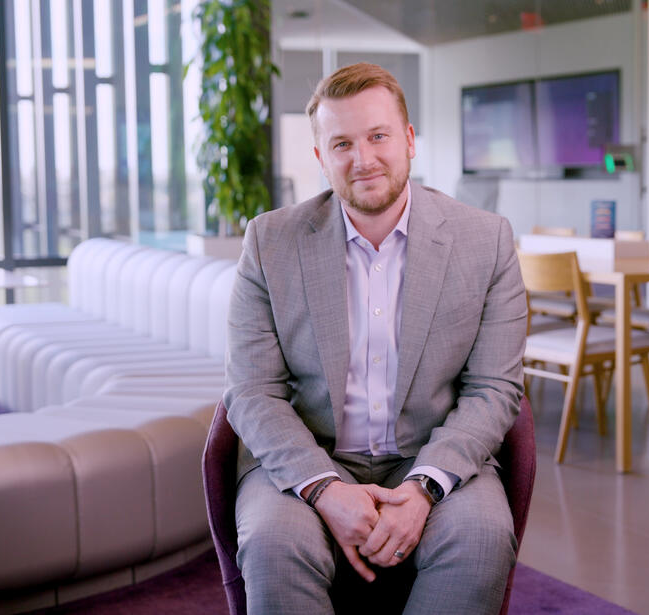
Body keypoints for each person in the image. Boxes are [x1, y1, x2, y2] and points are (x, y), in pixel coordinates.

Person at [223, 62, 527, 615]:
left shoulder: (486, 241)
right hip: (308, 454)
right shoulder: (270, 242)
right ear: (321, 157)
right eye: (341, 144)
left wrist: (423, 488)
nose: (362, 159)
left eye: (378, 136)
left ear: (409, 140)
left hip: (432, 452)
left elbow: (494, 389)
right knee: (273, 544)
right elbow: (252, 391)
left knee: (481, 538)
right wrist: (324, 488)